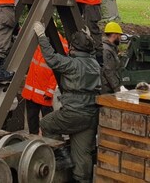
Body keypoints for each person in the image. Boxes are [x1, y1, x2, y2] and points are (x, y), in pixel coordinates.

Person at [32, 22, 101, 183]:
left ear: (73, 48)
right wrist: (88, 39)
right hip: (91, 115)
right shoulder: (95, 65)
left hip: (73, 113)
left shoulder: (72, 64)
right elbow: (91, 54)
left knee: (47, 123)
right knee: (82, 153)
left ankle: (61, 157)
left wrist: (42, 36)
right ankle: (82, 180)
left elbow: (51, 58)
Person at [22, 33, 67, 135]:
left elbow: (56, 73)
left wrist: (49, 91)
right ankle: (34, 138)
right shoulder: (38, 46)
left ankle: (50, 138)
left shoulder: (56, 48)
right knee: (32, 118)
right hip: (32, 92)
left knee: (47, 120)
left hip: (43, 93)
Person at [101, 22, 123, 93]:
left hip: (109, 87)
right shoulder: (106, 50)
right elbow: (109, 71)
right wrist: (117, 89)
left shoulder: (111, 48)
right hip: (107, 89)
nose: (120, 38)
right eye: (119, 35)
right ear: (114, 35)